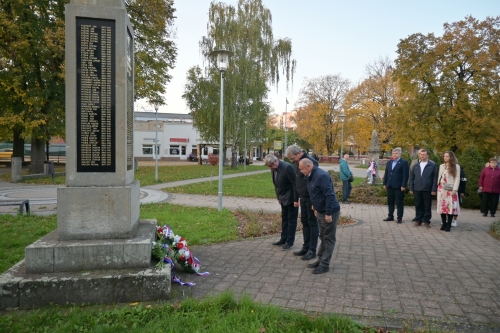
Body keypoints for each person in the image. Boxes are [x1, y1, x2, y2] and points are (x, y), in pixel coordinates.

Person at [298, 158, 341, 274]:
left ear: (308, 166)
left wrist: (328, 213)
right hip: (320, 210)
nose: (301, 172)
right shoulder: (310, 175)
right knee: (322, 236)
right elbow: (313, 192)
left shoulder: (321, 176)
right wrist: (314, 205)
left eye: (302, 169)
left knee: (328, 238)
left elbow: (330, 195)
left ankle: (325, 264)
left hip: (329, 211)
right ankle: (320, 260)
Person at [286, 145, 319, 261]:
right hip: (303, 198)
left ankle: (312, 250)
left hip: (311, 198)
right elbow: (296, 182)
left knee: (312, 223)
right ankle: (306, 247)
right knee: (305, 222)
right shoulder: (297, 164)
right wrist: (296, 198)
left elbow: (314, 182)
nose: (292, 161)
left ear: (299, 153)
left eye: (292, 158)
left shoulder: (310, 162)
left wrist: (314, 201)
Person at [264, 154, 298, 250]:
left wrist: (296, 199)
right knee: (284, 219)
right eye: (269, 167)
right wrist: (278, 197)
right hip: (282, 197)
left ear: (276, 161)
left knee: (291, 221)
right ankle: (283, 238)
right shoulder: (273, 169)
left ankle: (289, 242)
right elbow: (276, 184)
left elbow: (295, 184)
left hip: (291, 198)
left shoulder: (287, 167)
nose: (271, 168)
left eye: (272, 166)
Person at [409, 149, 438, 228]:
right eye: (421, 154)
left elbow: (435, 178)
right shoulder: (416, 165)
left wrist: (433, 189)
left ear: (428, 155)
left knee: (427, 205)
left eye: (424, 154)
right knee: (418, 205)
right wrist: (411, 188)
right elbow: (412, 177)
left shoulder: (432, 165)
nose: (422, 156)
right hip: (417, 188)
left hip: (427, 189)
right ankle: (418, 220)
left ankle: (426, 221)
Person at [383, 148, 409, 223]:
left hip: (398, 186)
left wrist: (403, 185)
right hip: (390, 185)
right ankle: (390, 216)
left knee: (399, 202)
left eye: (396, 153)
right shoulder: (389, 162)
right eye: (393, 153)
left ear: (400, 154)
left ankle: (399, 217)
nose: (394, 155)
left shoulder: (404, 163)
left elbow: (405, 175)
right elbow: (386, 173)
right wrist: (385, 183)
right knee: (390, 202)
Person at [437, 151, 461, 232]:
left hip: (450, 189)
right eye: (444, 156)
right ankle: (444, 223)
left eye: (447, 156)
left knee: (450, 206)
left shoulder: (456, 166)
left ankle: (449, 224)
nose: (445, 157)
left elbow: (457, 178)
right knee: (442, 206)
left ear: (451, 157)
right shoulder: (442, 166)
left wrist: (455, 189)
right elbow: (439, 176)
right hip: (441, 188)